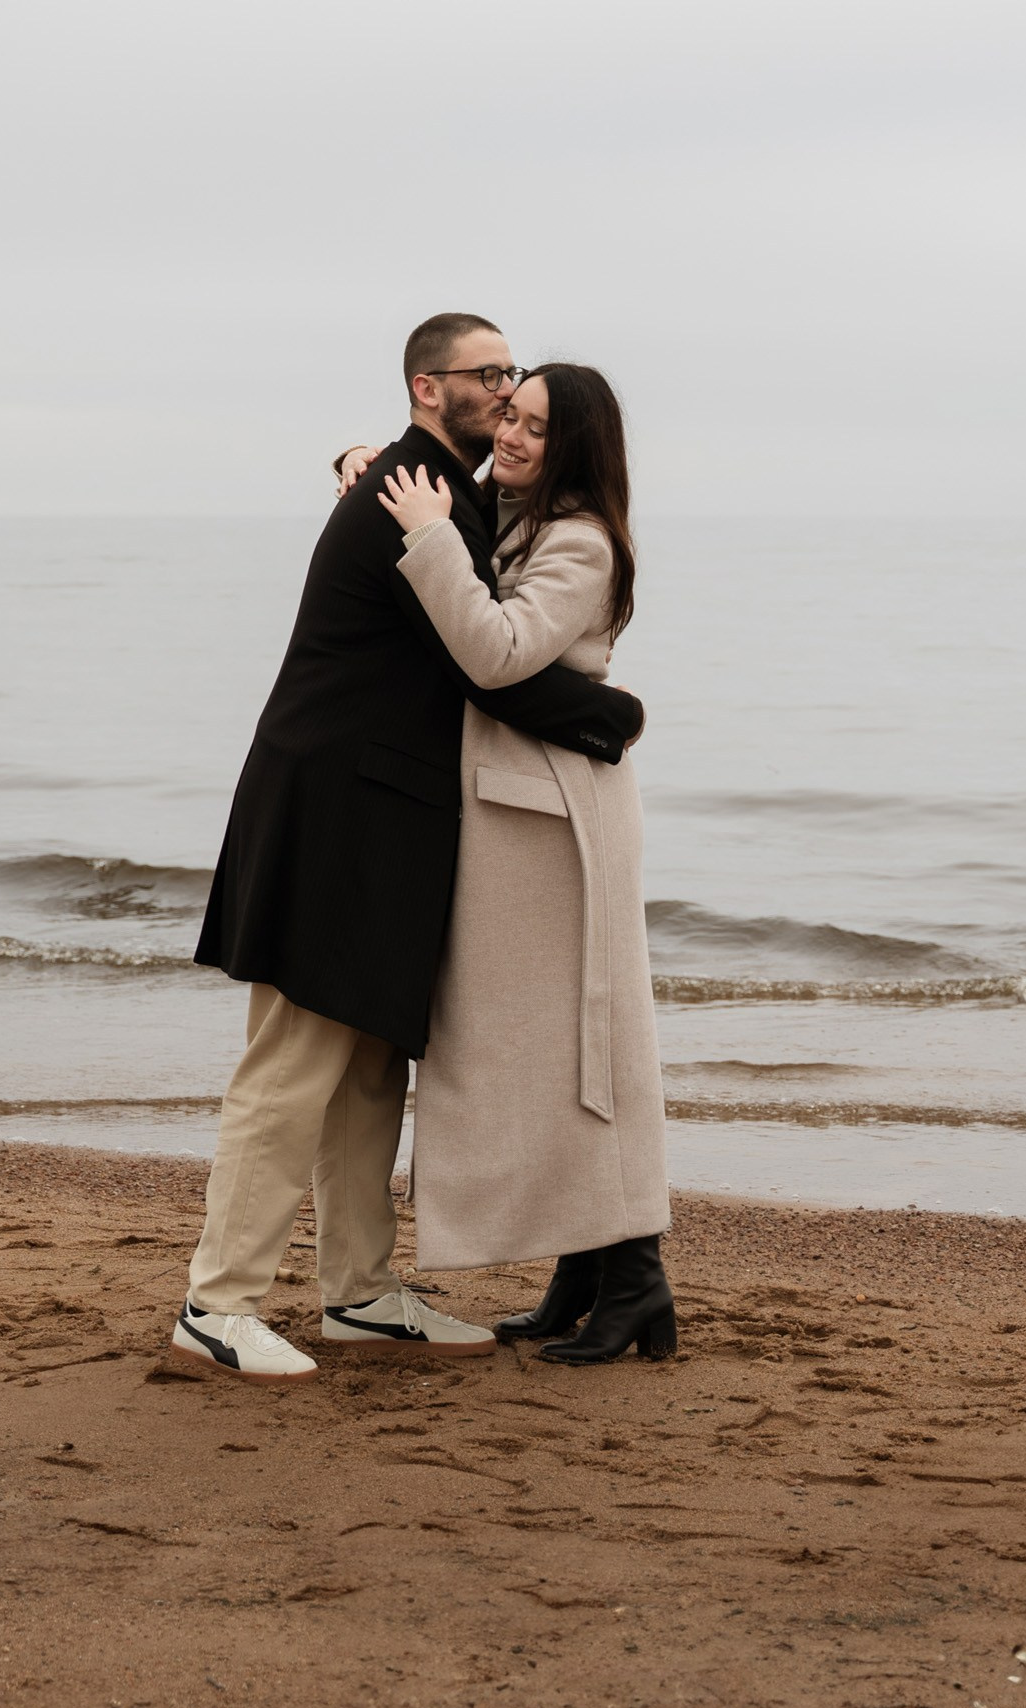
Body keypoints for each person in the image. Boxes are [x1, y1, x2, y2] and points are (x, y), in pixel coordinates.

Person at [174, 314, 647, 1383]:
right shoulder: (409, 494)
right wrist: (608, 717)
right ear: (429, 388)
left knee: (367, 1068)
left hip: (387, 818)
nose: (506, 390)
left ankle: (357, 1293)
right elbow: (497, 663)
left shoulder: (437, 489)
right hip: (335, 808)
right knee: (290, 1065)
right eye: (490, 377)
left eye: (514, 379)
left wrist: (354, 452)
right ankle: (218, 1302)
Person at [354, 362, 674, 1363]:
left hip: (554, 823)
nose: (513, 435)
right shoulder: (516, 512)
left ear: (575, 441)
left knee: (587, 1042)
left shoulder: (578, 539)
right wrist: (359, 465)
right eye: (509, 415)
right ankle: (583, 1266)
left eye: (536, 425)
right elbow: (436, 490)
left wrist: (426, 536)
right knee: (537, 1049)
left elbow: (494, 651)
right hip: (514, 811)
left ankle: (636, 1280)